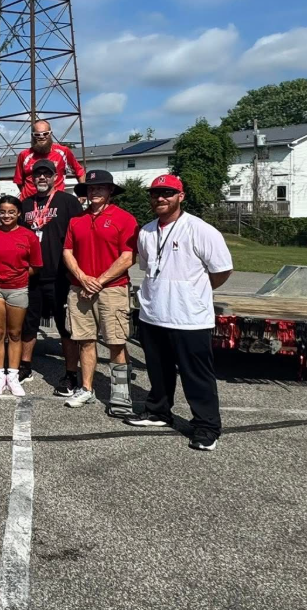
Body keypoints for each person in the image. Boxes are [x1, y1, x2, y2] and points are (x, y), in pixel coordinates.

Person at [124, 175, 232, 451]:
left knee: (196, 374)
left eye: (167, 193)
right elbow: (149, 267)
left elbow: (221, 270)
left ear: (180, 196)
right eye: (155, 194)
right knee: (158, 370)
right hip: (153, 312)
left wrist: (193, 291)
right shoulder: (147, 231)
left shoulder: (199, 229)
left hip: (189, 317)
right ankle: (159, 411)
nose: (160, 198)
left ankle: (206, 426)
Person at [61, 170, 139, 414]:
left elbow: (128, 257)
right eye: (91, 188)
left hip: (112, 289)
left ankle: (120, 394)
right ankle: (86, 388)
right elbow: (67, 252)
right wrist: (83, 278)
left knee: (116, 342)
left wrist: (99, 281)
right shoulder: (77, 220)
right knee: (85, 340)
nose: (94, 192)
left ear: (110, 191)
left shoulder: (125, 218)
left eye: (100, 187)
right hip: (80, 289)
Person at [20, 159, 84, 393]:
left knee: (66, 327)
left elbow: (80, 237)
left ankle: (70, 374)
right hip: (32, 275)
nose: (42, 178)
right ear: (32, 178)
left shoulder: (69, 202)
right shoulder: (25, 204)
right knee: (28, 324)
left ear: (56, 177)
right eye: (38, 175)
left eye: (47, 174)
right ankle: (25, 366)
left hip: (60, 275)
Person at [0, 195, 42, 396]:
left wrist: (19, 276)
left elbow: (35, 266)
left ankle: (13, 377)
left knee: (15, 334)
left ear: (19, 214)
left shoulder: (28, 236)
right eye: (2, 212)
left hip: (18, 289)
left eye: (11, 212)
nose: (6, 215)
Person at [12, 120, 86, 199]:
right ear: (32, 135)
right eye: (37, 134)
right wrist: (28, 197)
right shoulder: (24, 155)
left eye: (45, 133)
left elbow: (80, 172)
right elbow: (19, 181)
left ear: (51, 134)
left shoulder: (63, 151)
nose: (41, 137)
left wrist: (83, 193)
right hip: (30, 202)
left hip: (56, 201)